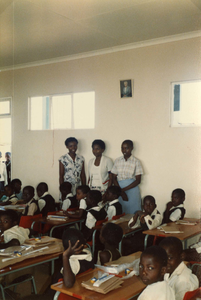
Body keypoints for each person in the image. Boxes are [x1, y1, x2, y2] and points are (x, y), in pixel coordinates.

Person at [111, 140, 143, 214]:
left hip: (132, 190)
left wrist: (123, 190)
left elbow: (138, 180)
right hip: (118, 188)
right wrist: (121, 192)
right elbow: (114, 177)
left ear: (132, 148)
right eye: (122, 148)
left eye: (127, 148)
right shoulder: (117, 160)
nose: (124, 150)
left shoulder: (136, 161)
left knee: (133, 212)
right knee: (121, 211)